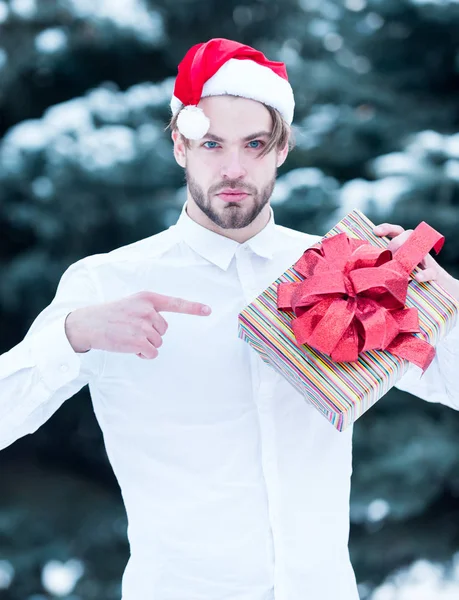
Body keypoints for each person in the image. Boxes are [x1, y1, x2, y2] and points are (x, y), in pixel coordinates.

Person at [1, 37, 459, 600]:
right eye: (212, 143)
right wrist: (70, 338)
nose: (234, 168)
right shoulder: (107, 282)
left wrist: (451, 306)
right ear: (179, 145)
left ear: (282, 150)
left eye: (255, 144)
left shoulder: (347, 270)